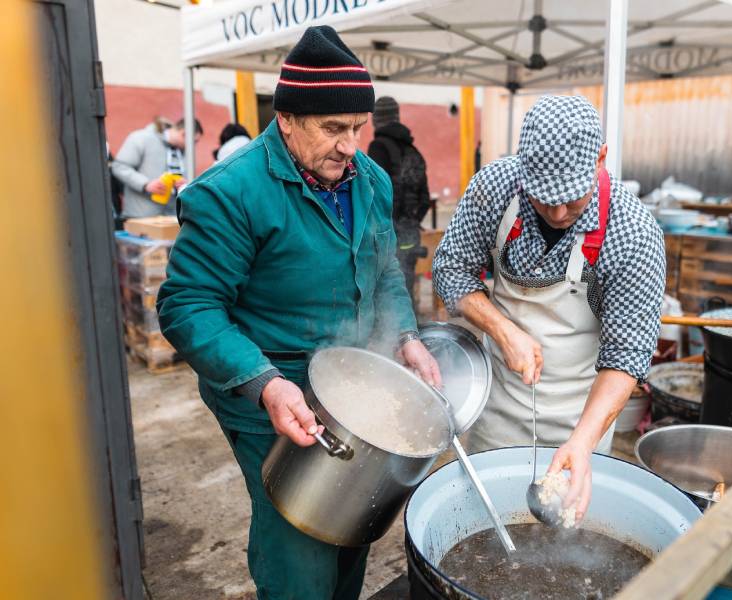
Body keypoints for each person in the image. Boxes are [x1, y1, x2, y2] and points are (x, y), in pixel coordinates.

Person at [156, 26, 440, 600]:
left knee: (353, 521)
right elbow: (187, 305)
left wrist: (406, 334)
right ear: (286, 119)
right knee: (300, 542)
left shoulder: (371, 180)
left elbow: (385, 269)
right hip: (272, 387)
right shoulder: (231, 192)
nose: (349, 146)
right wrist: (265, 384)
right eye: (332, 128)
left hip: (352, 384)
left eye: (357, 127)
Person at [433, 95, 665, 525]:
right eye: (542, 198)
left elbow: (627, 356)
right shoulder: (495, 188)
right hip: (497, 409)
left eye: (571, 199)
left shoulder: (632, 233)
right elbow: (451, 270)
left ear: (600, 158)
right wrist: (502, 329)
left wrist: (583, 443)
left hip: (582, 418)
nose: (557, 213)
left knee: (568, 535)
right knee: (485, 526)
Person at [366, 96, 431, 305]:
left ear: (376, 119)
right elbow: (425, 199)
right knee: (405, 287)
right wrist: (411, 221)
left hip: (387, 235)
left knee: (385, 291)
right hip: (410, 234)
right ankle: (410, 323)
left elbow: (373, 194)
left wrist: (386, 226)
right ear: (397, 117)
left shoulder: (378, 147)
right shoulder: (413, 151)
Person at [111, 117, 203, 218]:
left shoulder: (186, 151)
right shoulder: (141, 138)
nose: (194, 146)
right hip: (140, 217)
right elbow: (119, 167)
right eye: (194, 141)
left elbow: (188, 178)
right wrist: (145, 184)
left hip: (171, 217)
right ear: (183, 134)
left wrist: (184, 184)